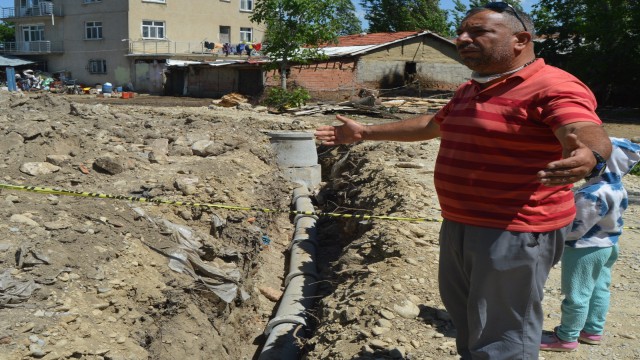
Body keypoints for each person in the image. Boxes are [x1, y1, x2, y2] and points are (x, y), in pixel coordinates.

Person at [314, 2, 612, 359]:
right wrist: (364, 132)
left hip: (514, 230)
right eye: (461, 32)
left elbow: (582, 129)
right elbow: (433, 125)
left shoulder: (552, 85)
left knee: (503, 333)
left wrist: (589, 157)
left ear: (521, 39)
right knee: (470, 321)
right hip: (461, 223)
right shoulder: (474, 87)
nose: (462, 38)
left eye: (478, 31)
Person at [540, 137, 640, 352]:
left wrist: (555, 233)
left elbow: (577, 228)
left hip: (584, 250)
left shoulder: (590, 193)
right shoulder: (617, 187)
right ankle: (592, 330)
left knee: (577, 294)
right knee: (598, 289)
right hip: (608, 245)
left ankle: (566, 337)